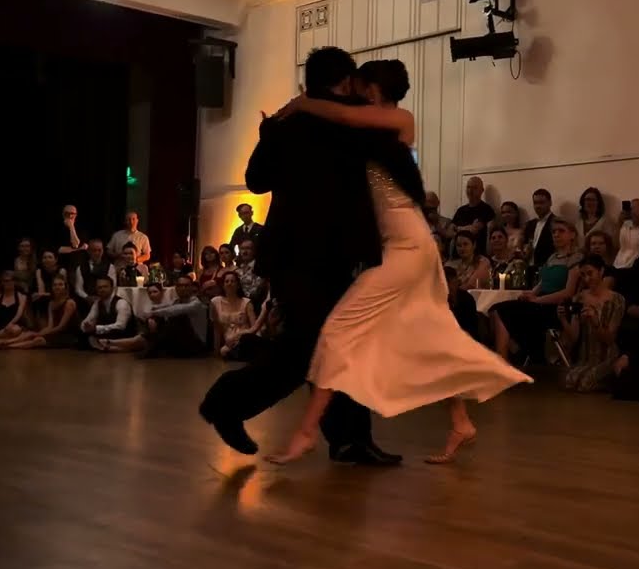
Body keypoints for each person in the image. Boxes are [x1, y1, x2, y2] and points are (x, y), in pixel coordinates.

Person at [264, 59, 531, 466]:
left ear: (373, 88)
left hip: (408, 247)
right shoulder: (364, 128)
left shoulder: (397, 119)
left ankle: (305, 434)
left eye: (362, 85)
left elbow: (341, 114)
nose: (356, 90)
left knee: (338, 331)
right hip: (403, 247)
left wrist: (302, 104)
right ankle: (460, 420)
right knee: (428, 336)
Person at [197, 47, 402, 466]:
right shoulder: (351, 123)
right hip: (332, 256)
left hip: (292, 255)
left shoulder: (288, 123)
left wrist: (271, 132)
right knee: (307, 351)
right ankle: (228, 404)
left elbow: (256, 180)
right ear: (345, 82)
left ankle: (348, 438)